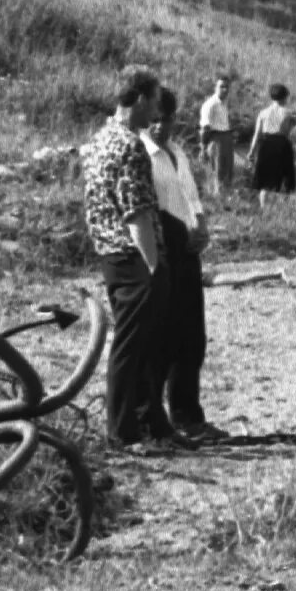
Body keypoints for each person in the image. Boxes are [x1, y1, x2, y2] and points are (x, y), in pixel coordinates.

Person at [84, 64, 182, 453]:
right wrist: (154, 265)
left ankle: (149, 422)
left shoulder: (99, 139)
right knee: (133, 347)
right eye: (155, 100)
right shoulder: (129, 146)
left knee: (138, 345)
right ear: (140, 98)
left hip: (111, 254)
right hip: (133, 256)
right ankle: (122, 432)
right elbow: (137, 213)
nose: (157, 111)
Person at [143, 89, 225, 444]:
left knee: (192, 338)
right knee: (161, 338)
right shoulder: (141, 153)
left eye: (167, 118)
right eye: (155, 118)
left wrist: (202, 226)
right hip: (161, 250)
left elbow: (191, 197)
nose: (161, 126)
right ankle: (154, 420)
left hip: (187, 249)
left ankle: (188, 415)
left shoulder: (177, 153)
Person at [248, 83, 296, 202]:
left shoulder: (263, 113)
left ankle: (263, 209)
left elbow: (257, 135)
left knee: (265, 180)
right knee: (286, 178)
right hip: (282, 145)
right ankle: (282, 207)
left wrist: (251, 151)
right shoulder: (289, 113)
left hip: (266, 144)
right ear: (285, 97)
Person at [196, 76, 235, 200]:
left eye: (226, 87)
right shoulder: (210, 104)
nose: (224, 89)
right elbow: (205, 128)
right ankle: (217, 199)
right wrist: (203, 148)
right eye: (221, 86)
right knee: (218, 170)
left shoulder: (224, 104)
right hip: (216, 139)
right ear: (215, 87)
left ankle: (226, 198)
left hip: (226, 138)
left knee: (227, 170)